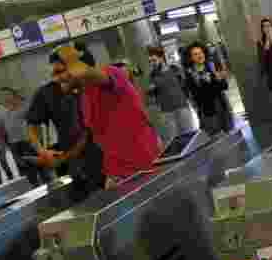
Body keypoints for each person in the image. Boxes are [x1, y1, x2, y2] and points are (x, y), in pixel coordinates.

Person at [48, 45, 160, 188]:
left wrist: (68, 55)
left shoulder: (112, 74)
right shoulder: (84, 96)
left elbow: (88, 73)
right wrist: (63, 158)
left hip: (144, 170)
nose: (55, 78)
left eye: (59, 72)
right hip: (117, 175)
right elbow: (98, 136)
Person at [27, 47, 103, 193]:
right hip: (75, 166)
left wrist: (62, 159)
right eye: (54, 73)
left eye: (61, 71)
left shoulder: (96, 87)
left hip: (105, 158)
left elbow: (88, 134)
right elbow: (32, 124)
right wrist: (41, 150)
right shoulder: (47, 93)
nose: (56, 78)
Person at [146, 46, 196, 147]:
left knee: (189, 135)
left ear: (161, 58)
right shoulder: (152, 75)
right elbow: (152, 96)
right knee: (173, 140)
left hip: (182, 107)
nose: (152, 63)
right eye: (150, 61)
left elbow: (185, 86)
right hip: (167, 112)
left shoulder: (174, 69)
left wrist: (191, 102)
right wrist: (151, 91)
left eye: (154, 60)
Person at [0, 87, 49, 187]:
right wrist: (3, 143)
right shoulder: (3, 111)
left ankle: (48, 184)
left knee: (40, 166)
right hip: (14, 143)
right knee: (25, 168)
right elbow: (2, 128)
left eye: (7, 95)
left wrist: (41, 140)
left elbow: (37, 122)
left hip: (28, 141)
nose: (5, 98)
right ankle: (35, 187)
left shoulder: (25, 107)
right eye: (3, 96)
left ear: (14, 95)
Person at [185, 41, 234, 135]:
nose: (199, 56)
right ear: (191, 58)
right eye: (195, 54)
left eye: (200, 53)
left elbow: (224, 86)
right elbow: (196, 96)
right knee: (216, 137)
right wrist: (204, 82)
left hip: (222, 105)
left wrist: (218, 78)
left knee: (229, 133)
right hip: (208, 111)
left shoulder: (212, 66)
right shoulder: (190, 74)